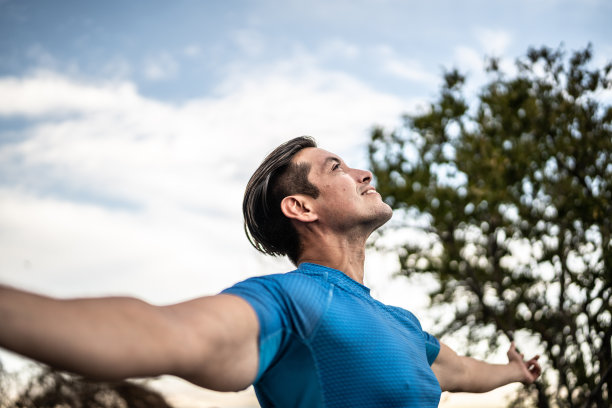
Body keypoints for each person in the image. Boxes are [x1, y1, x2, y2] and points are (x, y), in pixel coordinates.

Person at [0, 136, 541, 407]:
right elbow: (163, 332)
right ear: (302, 208)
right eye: (336, 168)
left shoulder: (402, 325)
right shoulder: (290, 304)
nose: (363, 171)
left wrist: (516, 372)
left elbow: (465, 373)